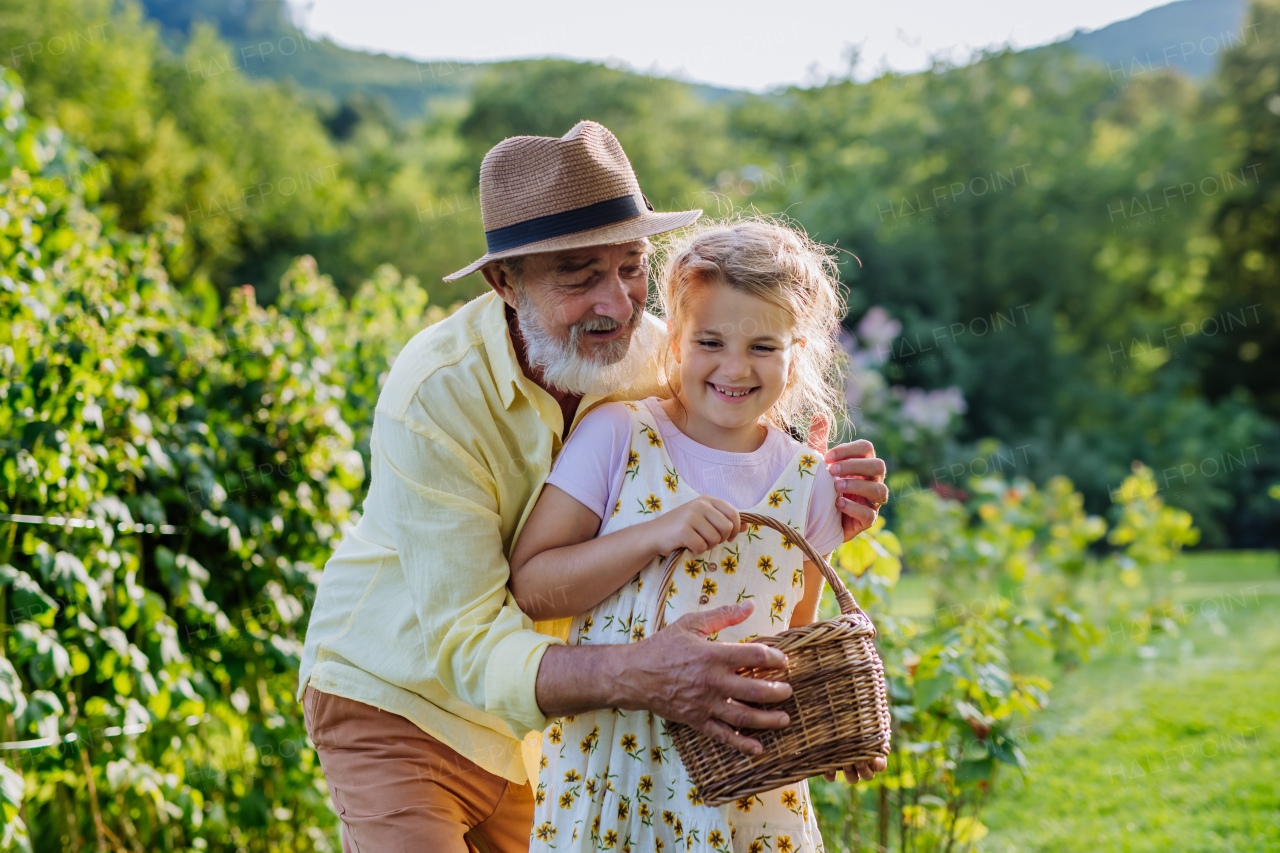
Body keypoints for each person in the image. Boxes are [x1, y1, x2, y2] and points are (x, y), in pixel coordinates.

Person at [297, 121, 889, 853]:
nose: (616, 303)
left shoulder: (653, 353)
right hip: (405, 698)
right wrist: (640, 672)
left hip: (560, 722)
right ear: (504, 281)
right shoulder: (435, 393)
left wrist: (816, 493)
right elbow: (468, 639)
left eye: (632, 266)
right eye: (579, 275)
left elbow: (725, 439)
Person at [511, 218, 856, 851]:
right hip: (615, 771)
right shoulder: (619, 435)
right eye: (711, 341)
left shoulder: (810, 482)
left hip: (742, 787)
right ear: (674, 342)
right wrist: (654, 533)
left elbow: (795, 642)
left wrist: (831, 723)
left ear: (796, 353)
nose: (734, 367)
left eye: (762, 346)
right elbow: (533, 585)